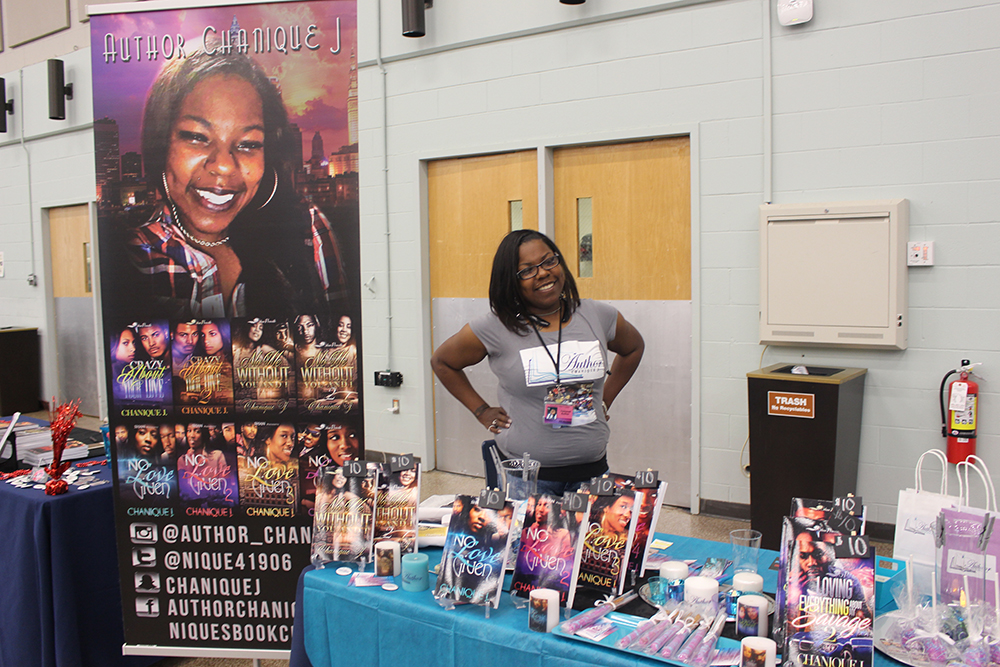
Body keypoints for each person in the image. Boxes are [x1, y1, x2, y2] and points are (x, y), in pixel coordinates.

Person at [124, 50, 349, 320]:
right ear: (162, 147)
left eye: (248, 144)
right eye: (197, 137)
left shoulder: (307, 230)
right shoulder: (134, 258)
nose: (224, 166)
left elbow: (340, 337)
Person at [430, 230, 644, 495]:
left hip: (591, 472)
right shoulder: (495, 327)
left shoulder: (598, 315)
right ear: (510, 280)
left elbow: (633, 348)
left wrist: (605, 400)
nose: (543, 273)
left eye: (548, 261)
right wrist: (481, 411)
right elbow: (442, 362)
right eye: (527, 270)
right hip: (526, 479)